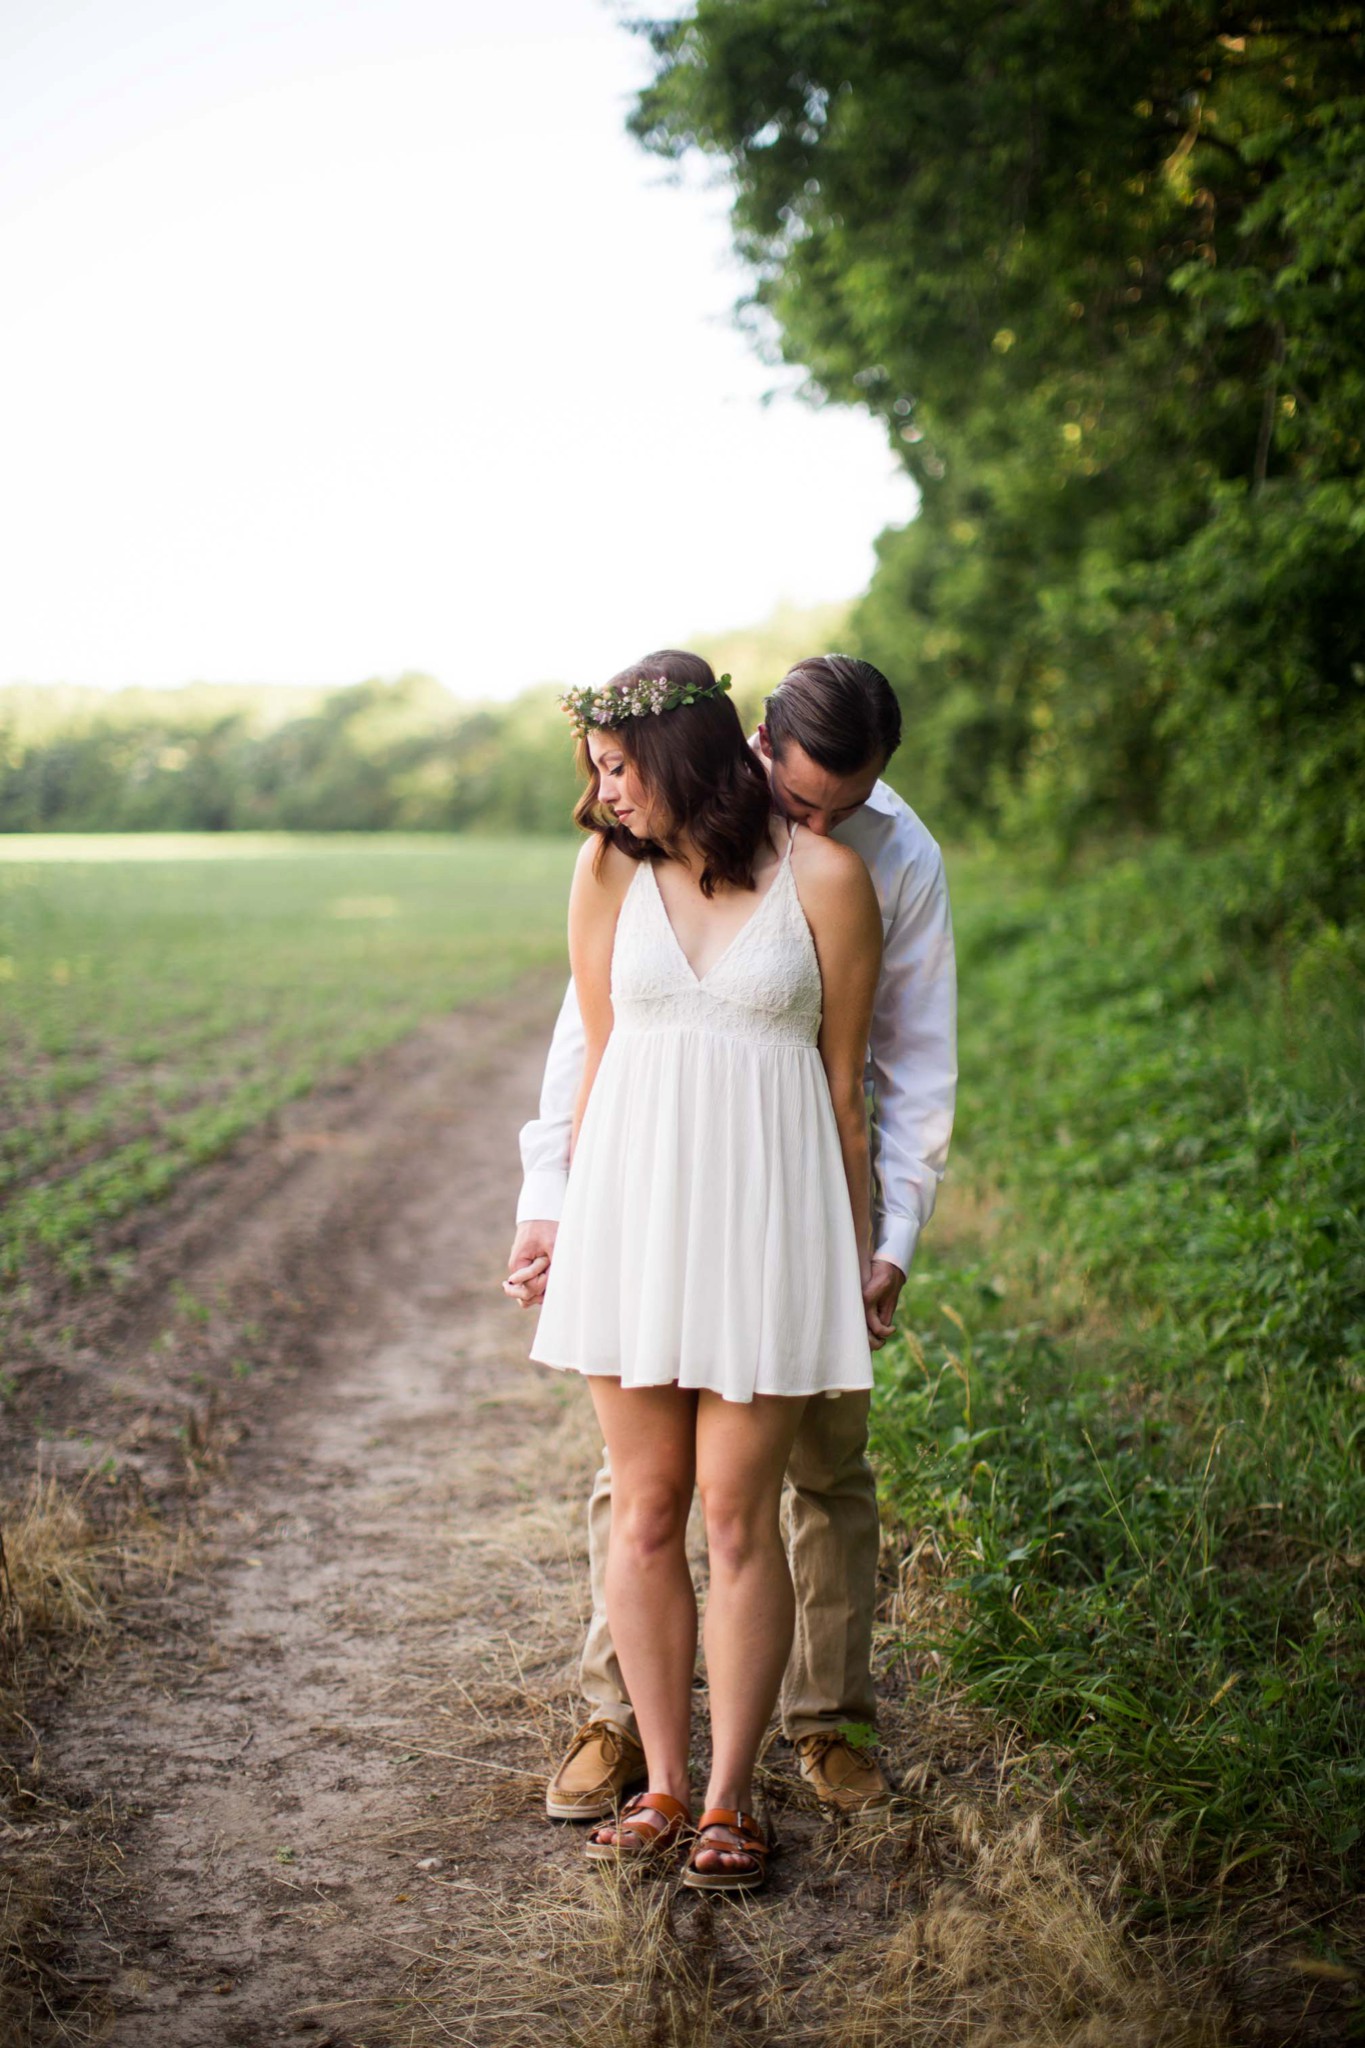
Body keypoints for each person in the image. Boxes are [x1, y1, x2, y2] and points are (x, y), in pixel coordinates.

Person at [509, 651, 957, 1822]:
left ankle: (820, 1728)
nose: (815, 819)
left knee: (806, 1479)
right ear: (754, 744)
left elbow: (892, 1071)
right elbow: (595, 1039)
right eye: (801, 797)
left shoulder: (883, 861)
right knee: (644, 1489)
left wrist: (878, 1242)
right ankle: (627, 1731)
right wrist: (551, 1198)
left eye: (838, 808)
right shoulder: (628, 849)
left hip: (785, 1196)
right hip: (647, 1200)